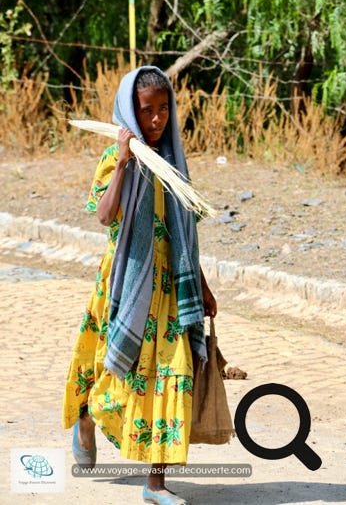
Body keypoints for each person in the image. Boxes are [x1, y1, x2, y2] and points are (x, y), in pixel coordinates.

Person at [62, 66, 217, 505]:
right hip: (126, 285)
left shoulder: (173, 166)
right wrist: (125, 163)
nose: (155, 120)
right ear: (130, 111)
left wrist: (202, 287)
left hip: (170, 290)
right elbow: (104, 215)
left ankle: (155, 484)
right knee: (119, 377)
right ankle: (89, 416)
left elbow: (182, 235)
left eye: (163, 109)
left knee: (174, 377)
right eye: (146, 110)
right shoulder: (116, 159)